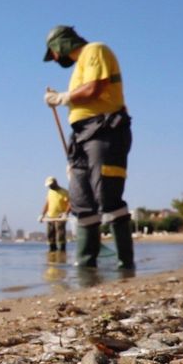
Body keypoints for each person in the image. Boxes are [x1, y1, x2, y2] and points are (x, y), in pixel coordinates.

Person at [43, 25, 135, 269]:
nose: (54, 59)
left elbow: (95, 88)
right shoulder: (77, 68)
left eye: (52, 52)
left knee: (108, 194)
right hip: (81, 136)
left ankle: (126, 265)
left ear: (61, 44)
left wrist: (62, 98)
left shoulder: (95, 50)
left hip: (105, 129)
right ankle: (86, 268)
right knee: (81, 198)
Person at [37, 175, 70, 254]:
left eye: (51, 185)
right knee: (50, 234)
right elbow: (47, 204)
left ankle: (62, 251)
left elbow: (70, 203)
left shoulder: (64, 192)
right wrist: (42, 214)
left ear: (55, 183)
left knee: (60, 234)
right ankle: (52, 251)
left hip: (60, 217)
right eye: (49, 186)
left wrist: (66, 213)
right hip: (50, 217)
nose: (50, 187)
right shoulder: (50, 192)